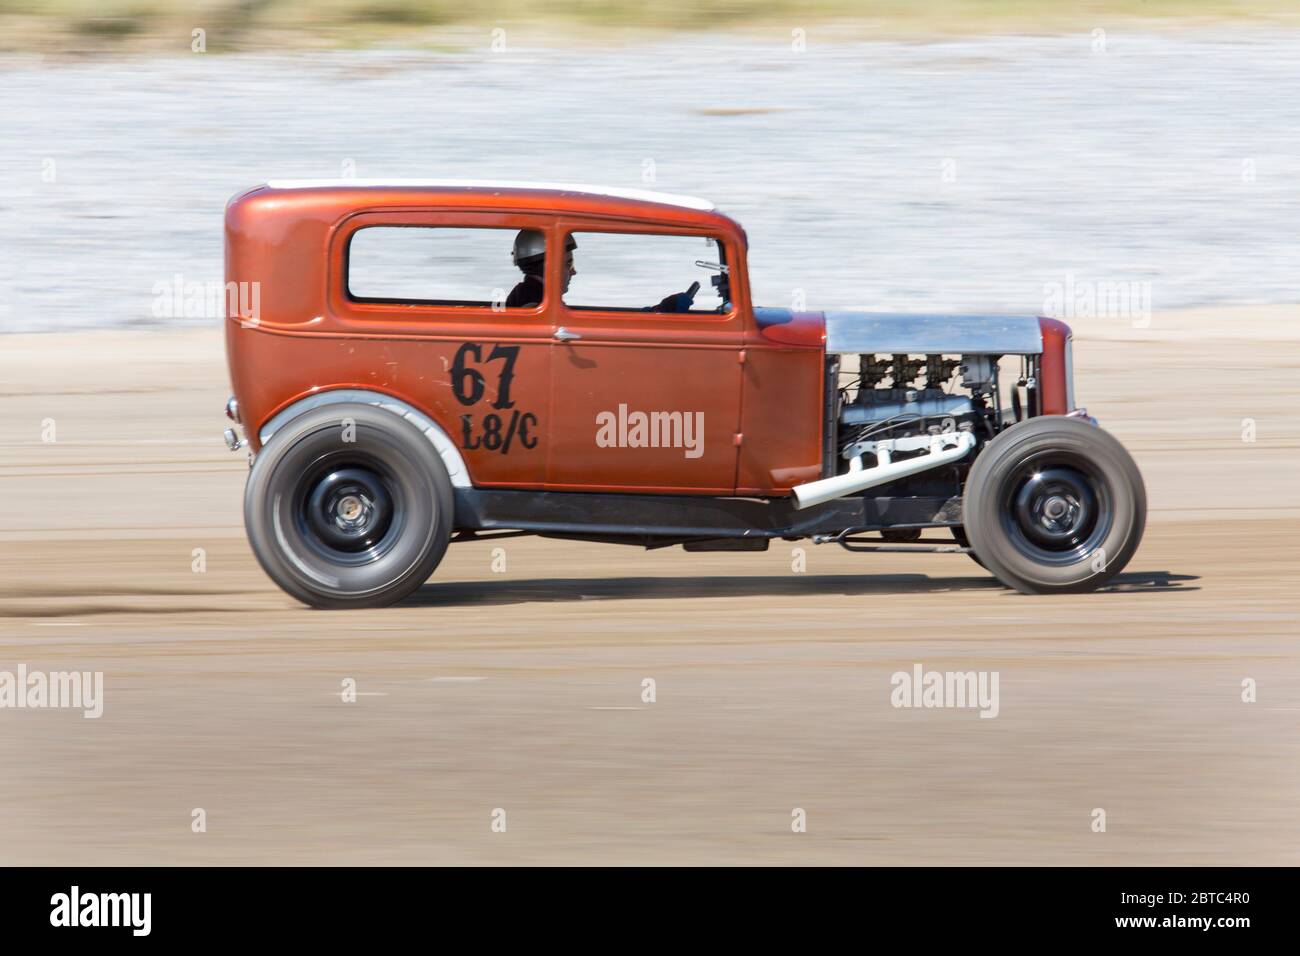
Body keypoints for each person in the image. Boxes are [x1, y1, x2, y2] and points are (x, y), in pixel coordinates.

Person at [506, 230, 576, 308]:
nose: (574, 272)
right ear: (550, 267)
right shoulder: (533, 304)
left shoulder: (528, 293)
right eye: (569, 264)